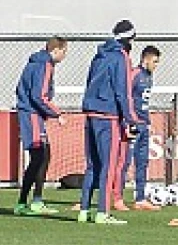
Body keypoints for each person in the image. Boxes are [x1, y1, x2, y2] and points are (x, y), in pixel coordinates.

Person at [78, 20, 139, 225]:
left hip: (91, 113)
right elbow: (123, 91)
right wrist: (131, 120)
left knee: (92, 165)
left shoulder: (98, 55)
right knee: (109, 165)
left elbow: (89, 83)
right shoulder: (120, 58)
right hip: (108, 116)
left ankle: (84, 210)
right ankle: (103, 212)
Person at [14, 36, 67, 215]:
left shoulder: (36, 63)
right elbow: (39, 96)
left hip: (31, 114)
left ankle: (33, 201)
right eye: (64, 51)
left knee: (42, 156)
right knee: (39, 156)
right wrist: (56, 113)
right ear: (56, 50)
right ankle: (26, 203)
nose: (64, 56)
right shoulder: (44, 65)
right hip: (31, 115)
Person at [115, 46, 163, 211]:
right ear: (146, 59)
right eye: (155, 61)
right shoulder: (134, 74)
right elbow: (125, 96)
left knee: (142, 162)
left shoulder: (149, 76)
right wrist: (128, 122)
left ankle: (140, 198)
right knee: (125, 162)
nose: (156, 65)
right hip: (132, 124)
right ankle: (118, 198)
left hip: (144, 124)